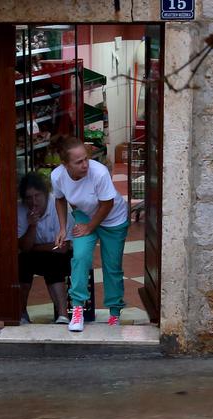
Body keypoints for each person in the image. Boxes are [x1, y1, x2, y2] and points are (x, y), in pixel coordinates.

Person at [51, 137, 130, 332]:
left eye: (86, 159)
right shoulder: (57, 176)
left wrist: (90, 227)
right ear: (65, 164)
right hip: (85, 214)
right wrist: (63, 228)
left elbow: (107, 204)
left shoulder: (99, 173)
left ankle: (114, 313)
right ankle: (77, 309)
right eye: (78, 162)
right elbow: (59, 199)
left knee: (112, 266)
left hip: (113, 218)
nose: (85, 164)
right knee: (80, 257)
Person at [16, 172, 69, 324]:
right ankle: (21, 312)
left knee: (53, 262)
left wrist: (34, 248)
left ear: (45, 194)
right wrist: (32, 226)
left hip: (59, 255)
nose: (33, 202)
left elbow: (63, 247)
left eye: (37, 196)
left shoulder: (58, 205)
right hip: (35, 254)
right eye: (28, 198)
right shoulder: (20, 210)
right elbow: (24, 248)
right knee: (22, 263)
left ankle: (62, 314)